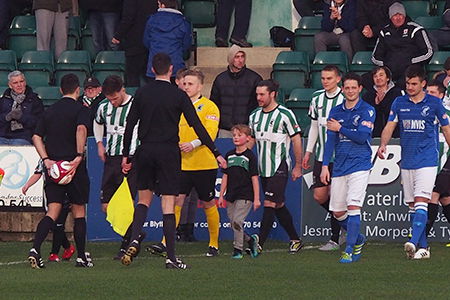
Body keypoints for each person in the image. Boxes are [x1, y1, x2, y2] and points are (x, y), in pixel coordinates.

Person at [120, 53, 226, 269]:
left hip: (146, 149)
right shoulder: (178, 96)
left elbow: (130, 125)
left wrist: (126, 155)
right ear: (170, 70)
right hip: (168, 151)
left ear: (151, 69)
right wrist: (215, 151)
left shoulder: (141, 92)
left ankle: (132, 241)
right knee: (169, 204)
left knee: (142, 201)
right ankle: (171, 258)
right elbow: (197, 125)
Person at [377, 65, 450, 260]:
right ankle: (423, 249)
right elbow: (390, 125)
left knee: (421, 202)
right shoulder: (399, 102)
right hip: (407, 160)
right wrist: (383, 144)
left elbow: (446, 129)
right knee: (411, 204)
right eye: (408, 83)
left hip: (427, 160)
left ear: (423, 84)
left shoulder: (434, 104)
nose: (410, 87)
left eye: (414, 84)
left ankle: (413, 240)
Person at [148, 68, 221, 257]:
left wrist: (193, 144)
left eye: (190, 84)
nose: (186, 87)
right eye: (184, 83)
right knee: (176, 200)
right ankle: (166, 242)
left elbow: (210, 133)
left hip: (204, 163)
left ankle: (214, 244)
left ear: (200, 86)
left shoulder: (210, 107)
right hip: (181, 163)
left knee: (207, 202)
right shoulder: (177, 106)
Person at [28, 73, 92, 269]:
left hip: (54, 169)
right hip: (73, 167)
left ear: (60, 90)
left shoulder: (50, 111)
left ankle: (35, 249)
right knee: (78, 210)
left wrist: (46, 160)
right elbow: (81, 130)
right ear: (78, 90)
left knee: (53, 211)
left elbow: (36, 137)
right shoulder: (81, 109)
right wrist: (78, 155)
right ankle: (81, 257)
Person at [320, 72, 374, 263]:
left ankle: (349, 249)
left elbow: (361, 137)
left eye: (354, 87)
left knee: (353, 206)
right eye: (347, 88)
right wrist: (325, 165)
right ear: (342, 89)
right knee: (337, 212)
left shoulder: (367, 110)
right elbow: (330, 141)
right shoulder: (335, 112)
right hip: (340, 165)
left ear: (360, 89)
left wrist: (340, 128)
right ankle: (358, 238)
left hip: (360, 164)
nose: (350, 91)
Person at [249, 79, 304, 255]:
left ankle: (259, 243)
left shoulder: (285, 114)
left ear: (272, 94)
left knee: (269, 202)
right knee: (278, 205)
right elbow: (251, 140)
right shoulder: (254, 116)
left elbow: (296, 139)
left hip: (279, 167)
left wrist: (297, 165)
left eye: (262, 94)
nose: (258, 97)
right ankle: (295, 239)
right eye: (257, 94)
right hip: (262, 168)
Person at [93, 75, 144, 260]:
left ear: (123, 90)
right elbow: (97, 122)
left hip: (131, 159)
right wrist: (99, 143)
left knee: (126, 203)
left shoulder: (136, 106)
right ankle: (135, 235)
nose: (112, 102)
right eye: (109, 99)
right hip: (111, 159)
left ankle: (126, 245)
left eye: (115, 98)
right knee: (106, 205)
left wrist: (131, 156)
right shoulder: (103, 107)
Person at [302, 65, 344, 251]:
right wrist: (308, 151)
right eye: (323, 78)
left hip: (340, 157)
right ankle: (346, 223)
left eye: (329, 78)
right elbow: (313, 127)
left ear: (338, 79)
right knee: (320, 196)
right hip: (321, 156)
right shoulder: (317, 98)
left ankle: (335, 238)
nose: (325, 81)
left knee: (336, 197)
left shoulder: (345, 99)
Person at [218, 124, 260, 259]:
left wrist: (257, 198)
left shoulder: (250, 157)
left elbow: (254, 178)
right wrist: (221, 195)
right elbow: (225, 176)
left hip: (245, 194)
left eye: (239, 135)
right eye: (234, 135)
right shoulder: (229, 155)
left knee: (237, 221)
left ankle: (238, 249)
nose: (235, 138)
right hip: (231, 194)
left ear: (248, 138)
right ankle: (250, 240)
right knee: (233, 223)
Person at [22, 160, 75, 262]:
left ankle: (54, 253)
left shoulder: (68, 155)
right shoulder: (44, 159)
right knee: (52, 223)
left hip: (66, 194)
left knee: (59, 224)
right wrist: (27, 185)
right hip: (51, 194)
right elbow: (38, 173)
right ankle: (68, 247)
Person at [372, 2, 433, 87]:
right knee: (366, 79)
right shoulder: (384, 32)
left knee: (402, 84)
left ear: (404, 15)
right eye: (395, 16)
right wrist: (386, 66)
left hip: (410, 69)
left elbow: (428, 52)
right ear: (391, 17)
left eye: (400, 15)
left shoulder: (415, 29)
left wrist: (411, 62)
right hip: (390, 70)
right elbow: (375, 56)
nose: (398, 18)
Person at [210, 45, 262, 138]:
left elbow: (258, 105)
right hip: (225, 129)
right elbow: (214, 104)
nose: (240, 60)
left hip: (246, 129)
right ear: (231, 59)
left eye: (242, 57)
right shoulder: (220, 79)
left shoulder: (254, 78)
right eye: (237, 57)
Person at [424, 80, 450, 247]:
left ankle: (420, 238)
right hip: (428, 160)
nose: (429, 95)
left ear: (441, 95)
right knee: (446, 199)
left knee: (432, 196)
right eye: (427, 92)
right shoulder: (423, 112)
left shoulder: (446, 113)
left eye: (433, 93)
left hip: (443, 161)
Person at [112, 0, 158, 87]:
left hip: (135, 42)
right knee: (150, 76)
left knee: (132, 77)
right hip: (151, 41)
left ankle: (134, 98)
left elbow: (128, 18)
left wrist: (118, 35)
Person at [143, 0, 192, 80]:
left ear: (162, 5)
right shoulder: (183, 22)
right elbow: (186, 45)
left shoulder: (151, 20)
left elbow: (146, 42)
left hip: (155, 66)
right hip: (176, 66)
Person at [0, 71, 44, 145]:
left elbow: (39, 122)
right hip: (3, 135)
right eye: (15, 83)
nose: (19, 85)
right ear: (10, 85)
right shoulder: (3, 100)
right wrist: (6, 117)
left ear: (25, 83)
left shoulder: (34, 100)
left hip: (24, 136)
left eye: (21, 81)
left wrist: (21, 117)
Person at [362, 66, 403, 138]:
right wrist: (377, 104)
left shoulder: (398, 93)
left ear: (387, 78)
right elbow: (367, 116)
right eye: (375, 76)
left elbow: (396, 113)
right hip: (374, 136)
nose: (378, 78)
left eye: (381, 75)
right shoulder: (368, 95)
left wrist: (382, 102)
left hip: (395, 136)